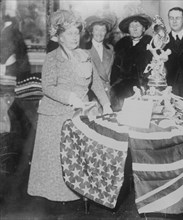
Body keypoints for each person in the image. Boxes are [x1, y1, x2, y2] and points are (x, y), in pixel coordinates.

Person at [27, 10, 112, 202]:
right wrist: (70, 97)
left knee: (78, 158)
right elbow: (47, 87)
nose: (75, 37)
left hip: (80, 114)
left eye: (77, 32)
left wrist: (106, 104)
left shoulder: (85, 54)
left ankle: (78, 193)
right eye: (70, 33)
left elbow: (96, 83)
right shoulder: (52, 57)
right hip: (55, 115)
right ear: (59, 37)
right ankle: (57, 198)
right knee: (56, 162)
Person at [110, 14, 152, 111]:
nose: (135, 29)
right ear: (128, 30)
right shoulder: (121, 46)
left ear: (144, 28)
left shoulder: (151, 45)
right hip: (122, 91)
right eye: (132, 26)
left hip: (144, 89)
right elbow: (115, 70)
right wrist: (115, 87)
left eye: (138, 26)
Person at [84, 16, 115, 98]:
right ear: (92, 31)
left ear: (106, 33)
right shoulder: (84, 49)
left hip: (109, 94)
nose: (99, 33)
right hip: (92, 94)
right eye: (97, 29)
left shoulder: (110, 49)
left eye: (103, 30)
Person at [164, 7, 183, 99]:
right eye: (171, 18)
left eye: (177, 18)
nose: (174, 21)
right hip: (168, 91)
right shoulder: (162, 42)